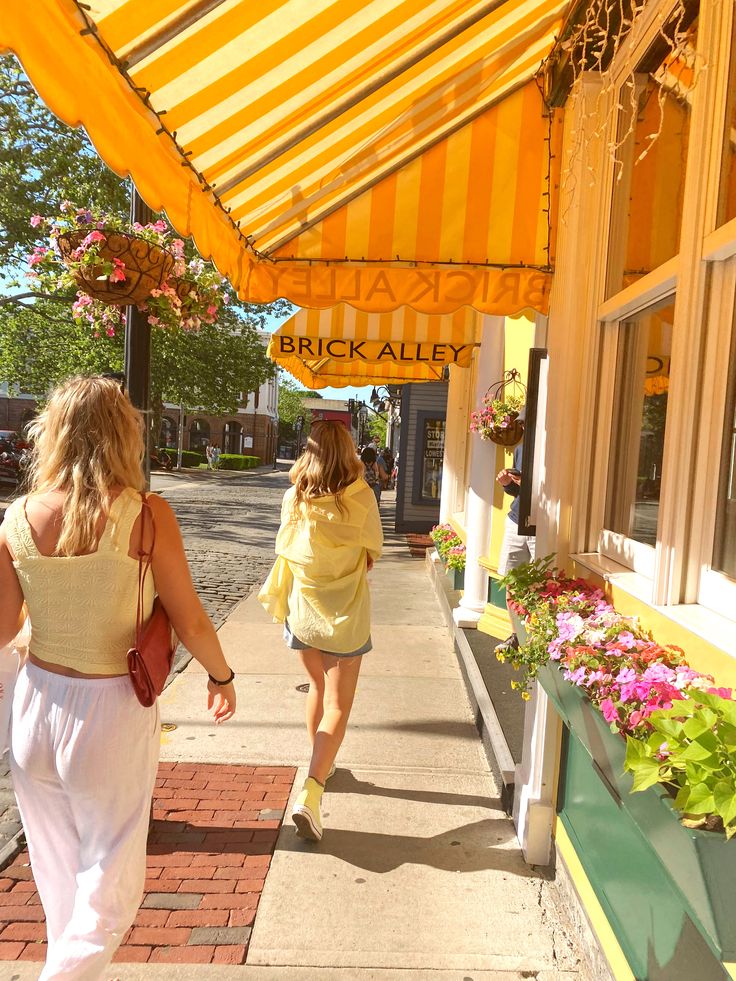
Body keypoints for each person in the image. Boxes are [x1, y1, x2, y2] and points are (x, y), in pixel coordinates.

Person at [0, 375, 237, 980]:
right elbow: (190, 618)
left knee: (57, 878)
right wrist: (220, 675)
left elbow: (3, 628)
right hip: (108, 711)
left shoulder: (17, 517)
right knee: (112, 887)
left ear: (51, 432)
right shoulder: (145, 514)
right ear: (123, 435)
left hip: (35, 705)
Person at [258, 421, 383, 842]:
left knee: (315, 688)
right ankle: (313, 790)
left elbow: (286, 549)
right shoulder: (361, 497)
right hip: (345, 616)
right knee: (338, 705)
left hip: (304, 613)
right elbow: (372, 553)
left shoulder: (293, 497)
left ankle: (322, 762)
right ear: (348, 452)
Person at [496, 435, 536, 650]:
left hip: (542, 526)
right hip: (515, 521)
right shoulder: (521, 449)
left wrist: (527, 483)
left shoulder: (555, 451)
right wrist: (507, 484)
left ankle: (536, 637)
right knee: (511, 580)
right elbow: (516, 493)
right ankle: (516, 635)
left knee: (541, 583)